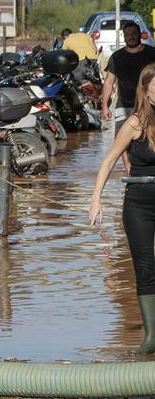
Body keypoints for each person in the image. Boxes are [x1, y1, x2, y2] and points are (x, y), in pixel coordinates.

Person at [89, 62, 155, 354]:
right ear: (146, 90)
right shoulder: (134, 124)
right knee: (145, 268)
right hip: (138, 202)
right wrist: (95, 200)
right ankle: (151, 337)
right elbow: (108, 162)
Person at [103, 21, 155, 129]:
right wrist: (105, 106)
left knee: (148, 141)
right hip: (123, 105)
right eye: (127, 34)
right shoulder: (116, 57)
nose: (131, 37)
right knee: (121, 142)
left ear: (140, 34)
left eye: (134, 33)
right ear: (124, 37)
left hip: (148, 105)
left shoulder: (152, 54)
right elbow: (109, 82)